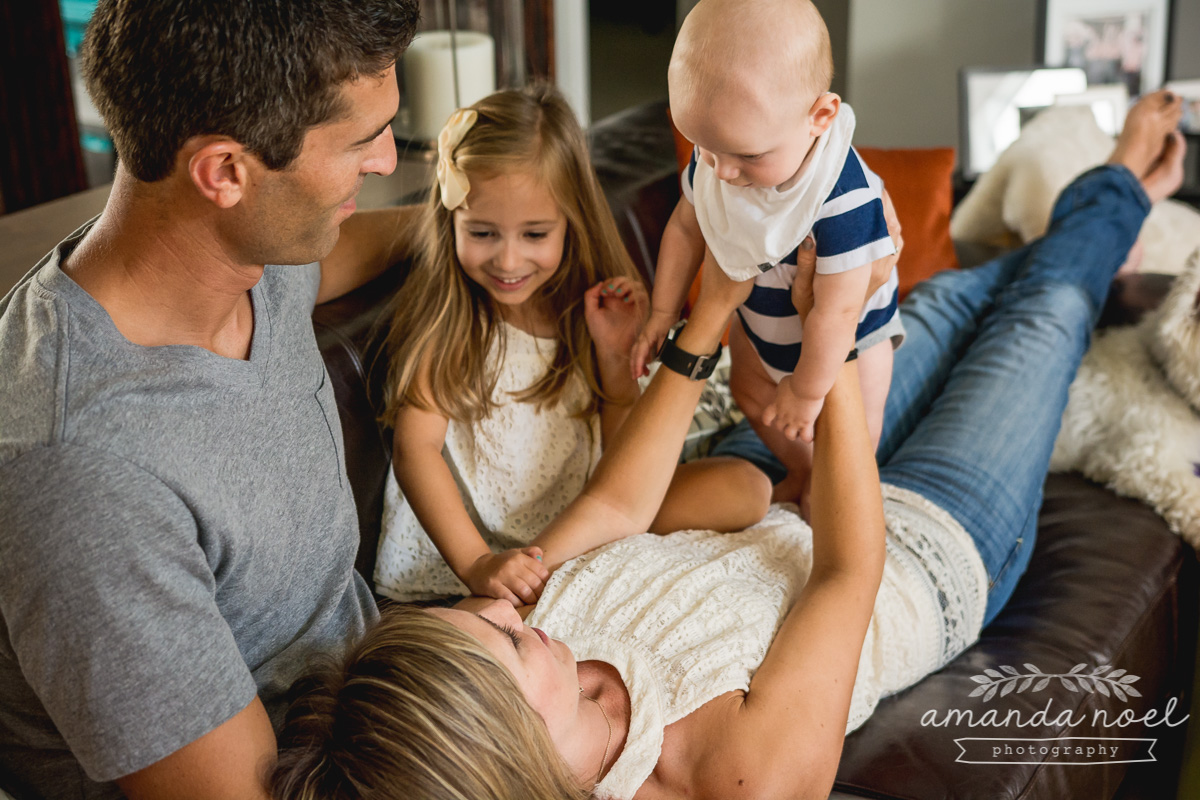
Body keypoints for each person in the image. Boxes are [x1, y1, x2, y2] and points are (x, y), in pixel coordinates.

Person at [270, 91, 1186, 800]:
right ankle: (1118, 185)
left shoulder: (524, 630)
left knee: (951, 299)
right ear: (507, 748)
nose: (517, 610)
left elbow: (622, 506)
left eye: (486, 617)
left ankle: (1087, 212)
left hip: (780, 472)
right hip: (913, 539)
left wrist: (745, 335)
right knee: (1039, 318)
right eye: (508, 643)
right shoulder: (735, 775)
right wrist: (839, 343)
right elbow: (846, 576)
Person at [0, 1, 421, 798]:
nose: (385, 159)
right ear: (225, 171)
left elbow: (331, 262)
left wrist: (472, 220)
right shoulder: (84, 478)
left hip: (388, 702)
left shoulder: (246, 253)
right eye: (362, 138)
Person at [373, 86, 773, 607]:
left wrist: (613, 363)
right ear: (450, 220)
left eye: (535, 234)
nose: (509, 261)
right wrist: (477, 564)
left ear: (571, 221)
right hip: (480, 546)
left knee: (747, 487)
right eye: (483, 233)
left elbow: (621, 464)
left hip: (584, 519)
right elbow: (414, 451)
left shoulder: (588, 310)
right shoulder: (449, 321)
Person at [632, 0, 903, 509]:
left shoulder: (843, 197)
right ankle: (802, 474)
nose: (723, 173)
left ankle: (833, 494)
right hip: (761, 331)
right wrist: (662, 312)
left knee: (852, 438)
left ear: (819, 117)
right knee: (751, 396)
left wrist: (805, 391)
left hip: (847, 344)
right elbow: (686, 227)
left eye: (749, 156)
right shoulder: (718, 152)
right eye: (704, 147)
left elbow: (839, 308)